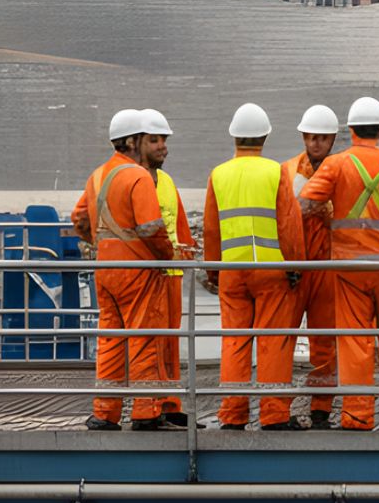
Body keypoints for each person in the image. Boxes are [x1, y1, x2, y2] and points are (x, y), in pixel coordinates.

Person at [299, 96, 379, 430]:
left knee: (355, 341)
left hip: (350, 269)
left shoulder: (337, 165)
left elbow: (305, 202)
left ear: (351, 129)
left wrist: (329, 215)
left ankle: (357, 416)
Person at [204, 103, 306, 430]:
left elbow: (210, 229)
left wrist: (212, 271)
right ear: (265, 136)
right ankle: (274, 414)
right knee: (272, 339)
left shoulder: (218, 174)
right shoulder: (276, 172)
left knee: (234, 341)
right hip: (270, 270)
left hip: (232, 272)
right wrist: (295, 266)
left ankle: (232, 415)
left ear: (234, 136)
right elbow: (289, 224)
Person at [73, 110, 176, 429]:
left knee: (111, 340)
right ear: (133, 142)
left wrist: (101, 242)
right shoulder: (138, 177)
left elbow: (79, 219)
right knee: (144, 338)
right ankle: (146, 411)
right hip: (137, 271)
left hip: (106, 269)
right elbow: (150, 227)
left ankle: (105, 412)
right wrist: (168, 255)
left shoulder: (97, 175)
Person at [136, 109, 195, 427]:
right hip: (148, 276)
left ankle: (171, 405)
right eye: (155, 140)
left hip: (171, 275)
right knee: (152, 343)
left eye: (164, 140)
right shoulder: (133, 179)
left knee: (171, 343)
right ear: (138, 142)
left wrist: (189, 254)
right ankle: (152, 406)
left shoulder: (167, 181)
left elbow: (179, 224)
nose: (163, 146)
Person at [284, 104, 342, 427]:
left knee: (325, 342)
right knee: (283, 338)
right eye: (312, 137)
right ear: (304, 136)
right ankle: (276, 407)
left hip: (327, 267)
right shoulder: (288, 170)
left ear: (332, 138)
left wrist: (329, 213)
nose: (317, 143)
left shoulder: (342, 171)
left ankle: (321, 407)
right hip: (295, 266)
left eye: (323, 137)